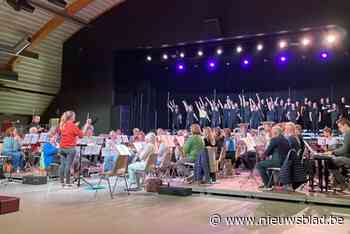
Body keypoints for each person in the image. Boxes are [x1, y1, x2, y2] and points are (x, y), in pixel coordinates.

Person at [257, 126, 291, 190]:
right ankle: (270, 184)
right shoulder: (285, 139)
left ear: (275, 133)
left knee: (259, 165)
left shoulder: (275, 139)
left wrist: (261, 155)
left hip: (278, 162)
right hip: (285, 162)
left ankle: (267, 185)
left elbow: (267, 152)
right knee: (268, 165)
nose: (271, 134)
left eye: (272, 133)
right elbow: (271, 151)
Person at [58, 111, 84, 187]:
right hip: (70, 148)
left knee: (62, 165)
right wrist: (86, 125)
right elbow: (81, 135)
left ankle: (62, 182)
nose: (75, 117)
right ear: (72, 117)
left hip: (62, 148)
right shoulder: (72, 126)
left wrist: (75, 126)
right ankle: (68, 183)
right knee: (68, 166)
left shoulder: (63, 124)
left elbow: (68, 132)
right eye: (74, 116)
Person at [328, 118, 350, 190]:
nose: (339, 129)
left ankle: (343, 183)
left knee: (330, 162)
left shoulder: (348, 133)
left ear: (345, 125)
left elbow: (345, 150)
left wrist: (333, 152)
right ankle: (337, 182)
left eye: (340, 127)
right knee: (337, 160)